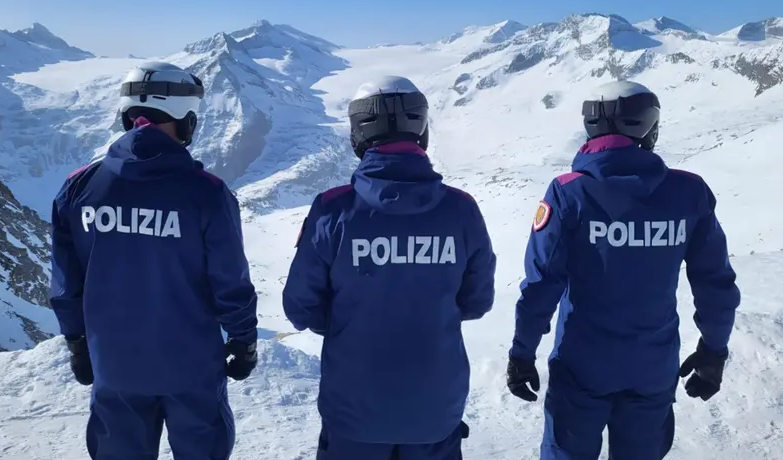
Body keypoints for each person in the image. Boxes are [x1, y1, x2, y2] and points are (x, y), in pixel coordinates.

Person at [505, 79, 741, 459]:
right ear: (648, 126)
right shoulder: (688, 193)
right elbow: (715, 283)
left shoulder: (569, 193)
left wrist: (522, 352)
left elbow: (542, 282)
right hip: (652, 367)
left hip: (580, 366)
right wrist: (714, 349)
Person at [49, 61, 259, 460]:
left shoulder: (79, 186)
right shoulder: (207, 192)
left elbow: (65, 279)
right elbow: (229, 280)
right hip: (193, 367)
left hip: (114, 364)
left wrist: (76, 342)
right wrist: (243, 338)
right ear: (185, 117)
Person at [282, 75, 496, 460]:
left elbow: (300, 306)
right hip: (435, 408)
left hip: (353, 409)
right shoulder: (461, 209)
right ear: (422, 130)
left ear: (357, 135)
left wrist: (347, 322)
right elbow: (477, 300)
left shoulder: (333, 209)